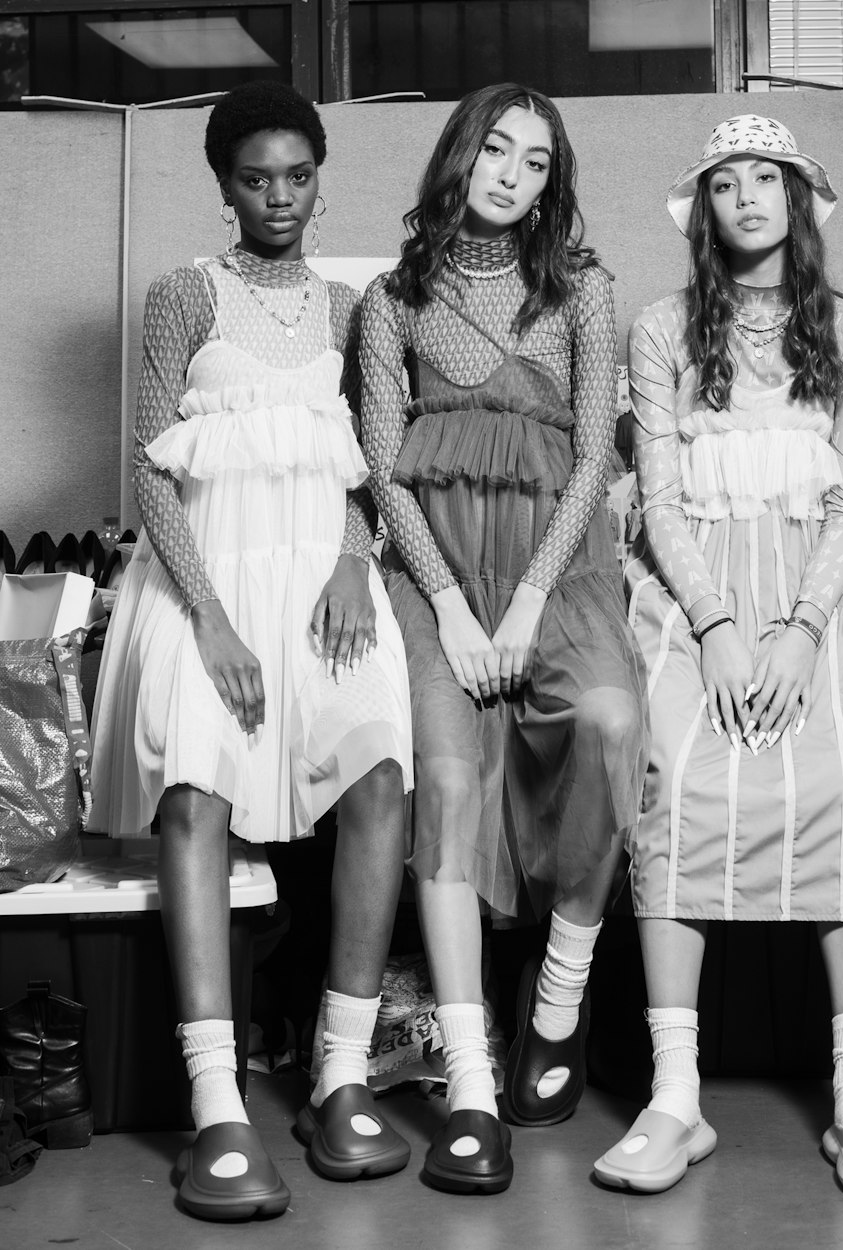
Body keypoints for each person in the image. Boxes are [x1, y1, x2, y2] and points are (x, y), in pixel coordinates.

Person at [88, 81, 413, 1221]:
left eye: (297, 175)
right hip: (207, 581)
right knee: (194, 794)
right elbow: (147, 463)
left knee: (380, 774)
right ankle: (217, 1102)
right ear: (223, 183)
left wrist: (347, 564)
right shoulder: (182, 292)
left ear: (320, 180)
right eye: (254, 176)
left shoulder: (354, 305)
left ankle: (338, 1072)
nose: (277, 195)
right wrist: (212, 618)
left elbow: (377, 460)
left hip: (326, 577)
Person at [594, 115, 843, 1198]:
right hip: (694, 604)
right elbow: (655, 495)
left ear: (796, 199)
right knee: (677, 787)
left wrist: (792, 628)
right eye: (725, 182)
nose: (746, 196)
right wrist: (720, 627)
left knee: (842, 786)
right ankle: (674, 1094)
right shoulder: (661, 329)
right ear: (704, 209)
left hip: (814, 605)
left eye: (765, 179)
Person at [360, 82, 647, 1194]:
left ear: (551, 182)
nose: (512, 175)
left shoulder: (581, 288)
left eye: (535, 162)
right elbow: (383, 474)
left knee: (610, 720)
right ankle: (472, 1081)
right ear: (458, 154)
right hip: (434, 579)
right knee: (444, 774)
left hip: (554, 573)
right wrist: (448, 601)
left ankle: (560, 991)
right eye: (496, 149)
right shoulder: (389, 301)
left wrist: (525, 601)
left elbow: (590, 457)